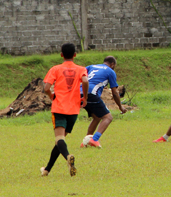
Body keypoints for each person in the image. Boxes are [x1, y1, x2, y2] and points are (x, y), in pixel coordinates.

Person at [40, 43, 88, 177]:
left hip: (59, 107)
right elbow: (85, 81)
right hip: (73, 109)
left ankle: (68, 157)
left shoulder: (55, 69)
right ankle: (46, 170)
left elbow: (46, 88)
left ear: (61, 55)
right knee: (60, 141)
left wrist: (51, 96)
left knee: (59, 140)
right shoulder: (81, 69)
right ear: (75, 55)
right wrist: (85, 97)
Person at [80, 56, 127, 148]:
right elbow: (115, 93)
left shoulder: (91, 67)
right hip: (91, 93)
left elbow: (80, 76)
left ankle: (86, 142)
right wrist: (120, 106)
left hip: (80, 93)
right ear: (112, 64)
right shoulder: (110, 71)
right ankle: (94, 139)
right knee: (108, 117)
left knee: (97, 117)